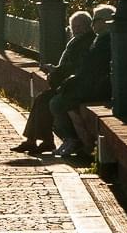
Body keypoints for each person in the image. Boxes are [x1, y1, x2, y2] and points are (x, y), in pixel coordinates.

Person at [13, 9, 92, 155]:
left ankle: (48, 141)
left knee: (46, 100)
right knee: (41, 99)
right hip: (67, 83)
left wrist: (55, 71)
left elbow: (74, 66)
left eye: (80, 26)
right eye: (74, 27)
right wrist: (55, 70)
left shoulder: (84, 43)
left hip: (73, 85)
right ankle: (38, 141)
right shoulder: (77, 42)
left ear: (88, 26)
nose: (76, 30)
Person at [48, 3, 115, 159]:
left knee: (57, 102)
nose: (93, 24)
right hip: (93, 83)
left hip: (98, 87)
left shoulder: (104, 40)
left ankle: (77, 141)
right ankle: (71, 139)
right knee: (57, 98)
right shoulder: (99, 39)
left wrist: (68, 79)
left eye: (95, 20)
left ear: (105, 21)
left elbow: (90, 67)